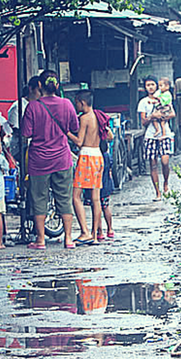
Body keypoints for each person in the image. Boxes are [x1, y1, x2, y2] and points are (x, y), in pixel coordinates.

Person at [21, 70, 78, 250]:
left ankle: (40, 240)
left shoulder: (32, 107)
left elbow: (25, 133)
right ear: (57, 86)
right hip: (62, 158)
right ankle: (68, 238)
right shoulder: (66, 104)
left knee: (39, 199)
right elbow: (74, 127)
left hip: (39, 160)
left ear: (39, 85)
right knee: (64, 197)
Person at [66, 90, 103, 245]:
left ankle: (84, 232)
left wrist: (66, 132)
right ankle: (94, 235)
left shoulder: (84, 118)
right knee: (96, 198)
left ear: (81, 102)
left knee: (76, 196)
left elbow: (79, 141)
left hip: (86, 156)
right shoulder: (98, 115)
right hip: (98, 155)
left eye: (76, 103)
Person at [138, 75, 176, 201]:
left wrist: (162, 117)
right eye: (148, 85)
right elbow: (143, 122)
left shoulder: (164, 97)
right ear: (145, 87)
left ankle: (166, 183)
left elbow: (173, 113)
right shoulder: (143, 102)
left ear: (157, 86)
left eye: (152, 85)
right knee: (153, 164)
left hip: (165, 135)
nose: (150, 87)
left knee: (165, 162)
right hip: (150, 136)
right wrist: (152, 116)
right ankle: (158, 192)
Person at [83, 147, 115, 241]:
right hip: (105, 186)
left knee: (95, 207)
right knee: (105, 206)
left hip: (95, 186)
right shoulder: (107, 156)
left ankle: (99, 231)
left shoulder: (92, 156)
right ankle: (110, 229)